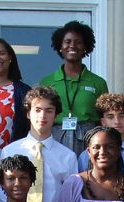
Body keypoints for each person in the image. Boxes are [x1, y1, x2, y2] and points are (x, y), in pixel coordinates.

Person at [0, 86, 78, 202]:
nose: (42, 116)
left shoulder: (67, 157)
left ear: (56, 115)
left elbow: (70, 199)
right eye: (37, 110)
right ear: (28, 113)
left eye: (49, 111)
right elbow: (0, 193)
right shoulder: (10, 151)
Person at [38, 21, 108, 155]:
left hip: (89, 139)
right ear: (60, 46)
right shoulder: (47, 82)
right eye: (67, 41)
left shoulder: (98, 82)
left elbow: (103, 119)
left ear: (86, 47)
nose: (72, 45)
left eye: (78, 42)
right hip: (55, 136)